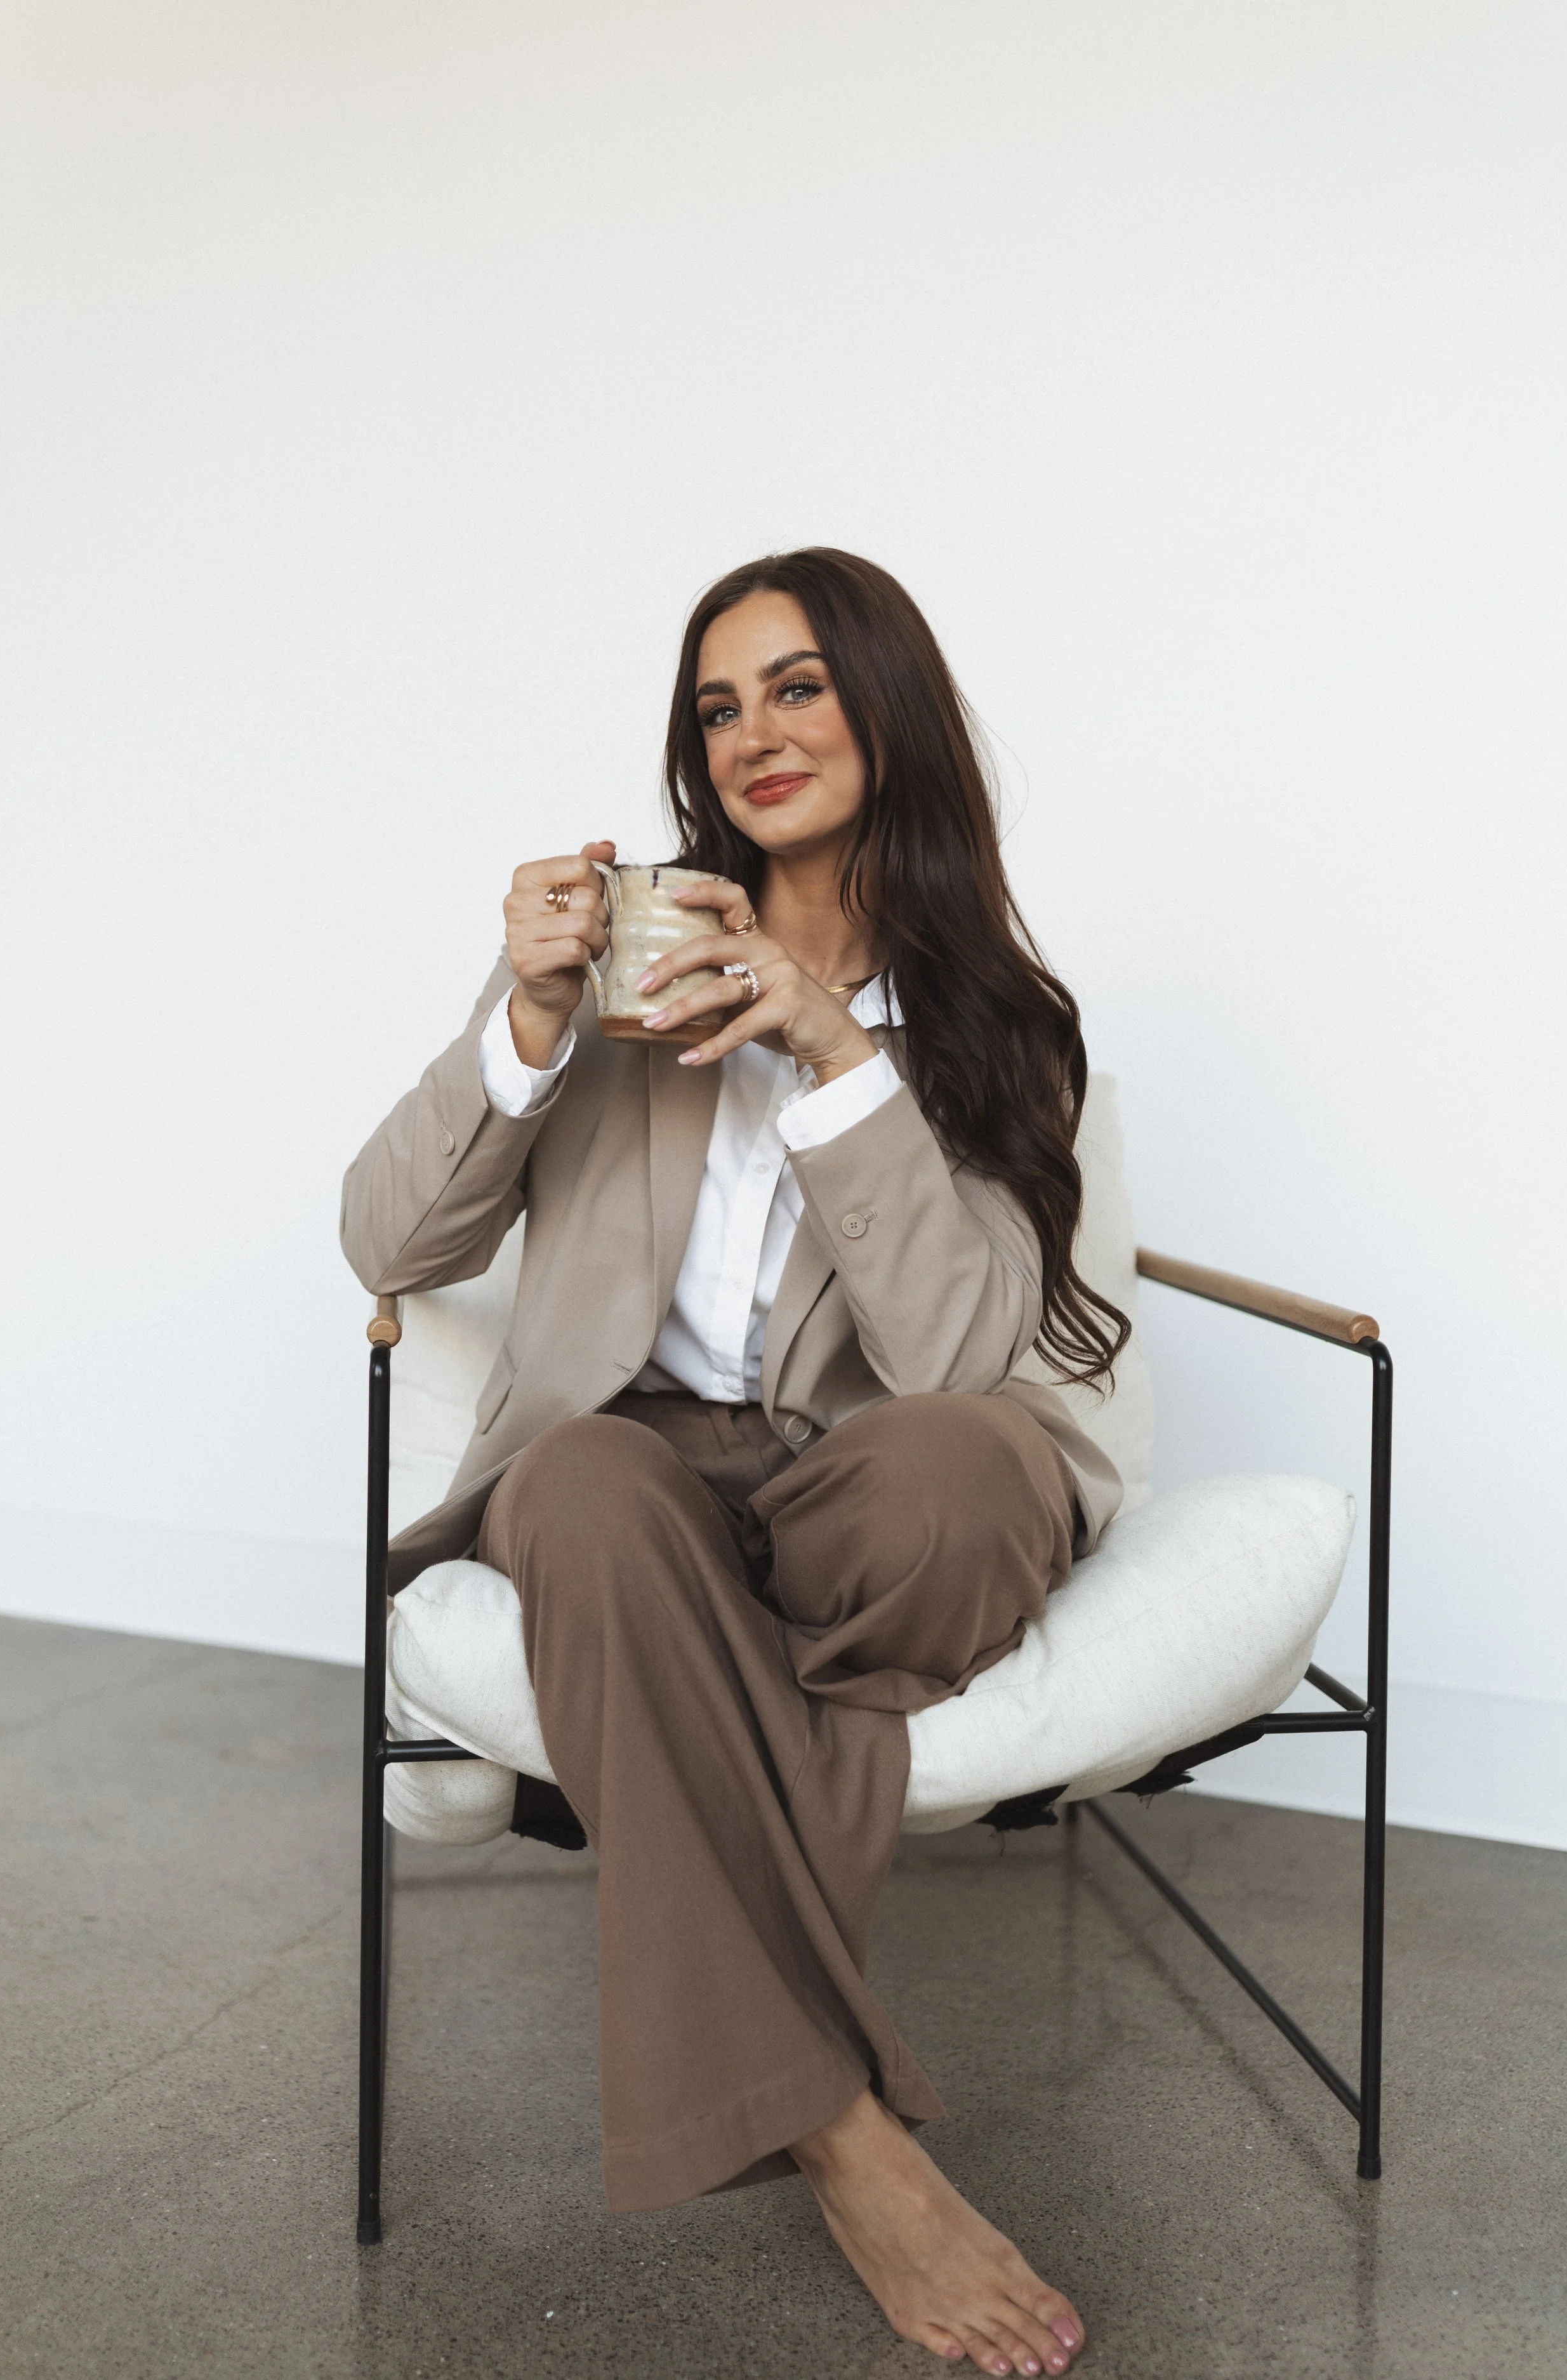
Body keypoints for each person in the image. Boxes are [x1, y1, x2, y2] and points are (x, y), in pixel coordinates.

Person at [341, 548, 1128, 2377]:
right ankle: (845, 2132)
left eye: (795, 684)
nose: (753, 731)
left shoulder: (1004, 1021)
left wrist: (830, 1044)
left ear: (883, 701)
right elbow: (388, 1245)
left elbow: (955, 1359)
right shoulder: (624, 961)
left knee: (963, 1471)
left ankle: (672, 1746)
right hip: (636, 1473)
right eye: (718, 702)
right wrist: (524, 1030)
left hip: (864, 1490)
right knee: (586, 1498)